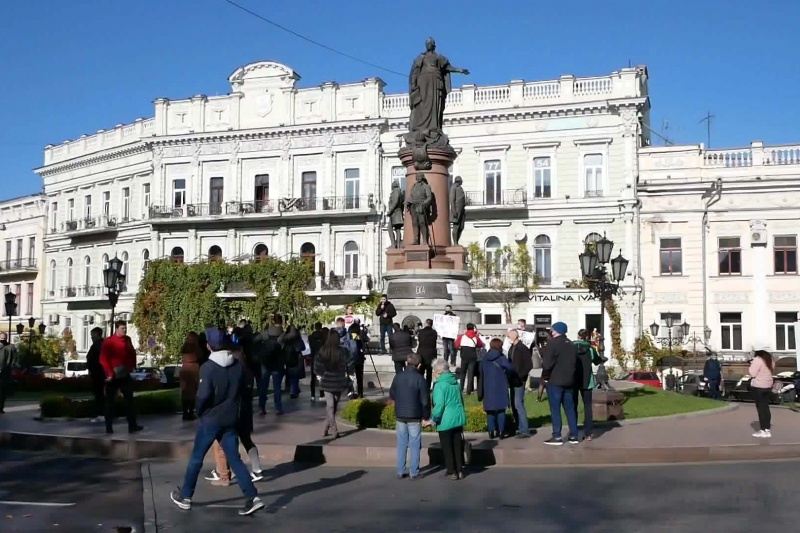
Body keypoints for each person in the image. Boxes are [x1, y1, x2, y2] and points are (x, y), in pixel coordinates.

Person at [170, 327, 264, 516]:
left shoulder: (209, 367)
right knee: (234, 459)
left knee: (197, 457)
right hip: (230, 418)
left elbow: (204, 395)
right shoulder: (237, 365)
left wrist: (199, 410)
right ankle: (252, 497)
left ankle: (186, 496)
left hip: (211, 419)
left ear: (208, 345)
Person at [389, 353, 430, 480]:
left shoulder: (398, 376)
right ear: (419, 365)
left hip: (400, 413)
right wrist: (426, 416)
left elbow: (392, 393)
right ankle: (414, 472)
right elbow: (425, 400)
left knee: (401, 443)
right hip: (414, 414)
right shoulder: (420, 379)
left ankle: (400, 470)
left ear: (407, 363)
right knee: (415, 443)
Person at [99, 321, 142, 434]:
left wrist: (132, 365)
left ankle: (132, 425)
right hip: (113, 374)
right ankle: (108, 427)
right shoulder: (109, 342)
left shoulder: (127, 339)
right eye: (122, 328)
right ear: (116, 329)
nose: (124, 330)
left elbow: (132, 352)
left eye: (125, 328)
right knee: (110, 401)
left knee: (129, 399)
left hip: (124, 373)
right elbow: (103, 359)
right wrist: (109, 373)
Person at [541, 322, 578, 446]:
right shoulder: (572, 344)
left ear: (556, 330)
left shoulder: (552, 343)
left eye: (552, 329)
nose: (551, 331)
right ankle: (574, 435)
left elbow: (547, 364)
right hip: (569, 381)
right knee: (570, 408)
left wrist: (545, 378)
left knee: (555, 408)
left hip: (555, 380)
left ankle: (557, 436)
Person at [429, 359, 467, 479]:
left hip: (445, 420)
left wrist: (433, 419)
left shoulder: (439, 385)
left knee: (447, 447)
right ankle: (460, 469)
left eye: (434, 371)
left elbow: (439, 405)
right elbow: (460, 400)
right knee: (457, 445)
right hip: (457, 417)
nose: (434, 374)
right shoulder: (455, 382)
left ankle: (452, 471)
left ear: (439, 372)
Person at [315, 330, 354, 438]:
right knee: (331, 406)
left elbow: (317, 366)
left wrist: (320, 375)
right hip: (338, 381)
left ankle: (325, 429)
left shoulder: (323, 350)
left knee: (332, 406)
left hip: (328, 381)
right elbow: (350, 363)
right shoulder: (343, 351)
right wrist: (350, 374)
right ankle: (334, 430)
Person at [478, 338, 512, 439]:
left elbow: (480, 370)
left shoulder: (485, 357)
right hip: (500, 386)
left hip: (488, 387)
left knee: (490, 411)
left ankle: (491, 431)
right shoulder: (501, 358)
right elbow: (510, 368)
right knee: (501, 410)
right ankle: (501, 431)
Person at [573, 329, 604, 441]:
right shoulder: (590, 349)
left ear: (578, 336)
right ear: (587, 337)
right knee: (587, 406)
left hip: (573, 380)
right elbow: (596, 361)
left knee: (573, 406)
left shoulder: (572, 347)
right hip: (587, 380)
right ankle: (588, 433)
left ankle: (573, 432)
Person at [506, 330, 533, 437]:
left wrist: (521, 376)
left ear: (514, 336)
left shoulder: (522, 348)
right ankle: (518, 426)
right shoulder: (512, 348)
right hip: (512, 379)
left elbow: (529, 365)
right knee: (513, 404)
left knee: (518, 404)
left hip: (519, 380)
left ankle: (525, 429)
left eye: (508, 337)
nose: (507, 339)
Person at [253, 324, 284, 416]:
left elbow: (254, 341)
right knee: (277, 388)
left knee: (263, 387)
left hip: (265, 365)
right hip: (277, 366)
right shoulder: (280, 342)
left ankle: (261, 408)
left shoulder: (264, 341)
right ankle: (278, 408)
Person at [749, 350, 774, 439]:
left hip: (759, 386)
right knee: (766, 407)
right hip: (768, 385)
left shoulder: (758, 360)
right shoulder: (770, 359)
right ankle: (767, 429)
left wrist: (752, 364)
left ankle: (763, 430)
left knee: (761, 408)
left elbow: (752, 373)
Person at [179, 331, 203, 421]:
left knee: (185, 392)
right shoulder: (196, 348)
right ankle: (191, 412)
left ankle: (185, 412)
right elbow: (200, 355)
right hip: (193, 368)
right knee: (193, 392)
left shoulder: (184, 347)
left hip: (185, 368)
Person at [455, 323, 483, 394]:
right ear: (473, 328)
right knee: (471, 373)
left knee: (463, 372)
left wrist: (460, 348)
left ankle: (461, 388)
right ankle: (469, 390)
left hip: (464, 355)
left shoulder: (462, 336)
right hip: (472, 356)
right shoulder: (475, 337)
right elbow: (480, 345)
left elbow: (456, 344)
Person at [85, 327, 105, 423]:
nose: (91, 337)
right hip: (98, 373)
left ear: (97, 334)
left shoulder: (99, 345)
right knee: (99, 394)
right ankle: (101, 413)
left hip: (99, 373)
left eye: (92, 335)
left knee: (99, 394)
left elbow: (95, 359)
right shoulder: (99, 344)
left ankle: (101, 414)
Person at [280, 325, 305, 399]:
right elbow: (302, 347)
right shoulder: (297, 339)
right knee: (294, 376)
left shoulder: (285, 340)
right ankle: (293, 391)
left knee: (292, 375)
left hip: (287, 360)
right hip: (296, 359)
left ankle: (294, 389)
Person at [307, 322, 326, 403]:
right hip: (322, 358)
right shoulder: (324, 337)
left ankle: (312, 395)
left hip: (314, 357)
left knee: (313, 377)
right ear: (321, 327)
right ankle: (321, 394)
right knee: (321, 376)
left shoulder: (310, 337)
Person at [416, 319, 438, 389]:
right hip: (431, 354)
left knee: (421, 371)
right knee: (429, 372)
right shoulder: (434, 332)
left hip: (422, 354)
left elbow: (419, 340)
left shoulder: (421, 332)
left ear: (426, 324)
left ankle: (421, 386)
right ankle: (428, 387)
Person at [0, 332, 18, 414]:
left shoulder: (11, 347)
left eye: (4, 339)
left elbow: (14, 359)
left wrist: (11, 368)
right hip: (4, 371)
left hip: (5, 372)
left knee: (3, 391)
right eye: (1, 339)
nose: (2, 340)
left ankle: (0, 407)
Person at [346, 322, 365, 398]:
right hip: (358, 360)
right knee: (359, 377)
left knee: (350, 377)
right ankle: (360, 393)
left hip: (350, 360)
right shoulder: (357, 338)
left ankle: (351, 392)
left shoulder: (348, 337)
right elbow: (359, 348)